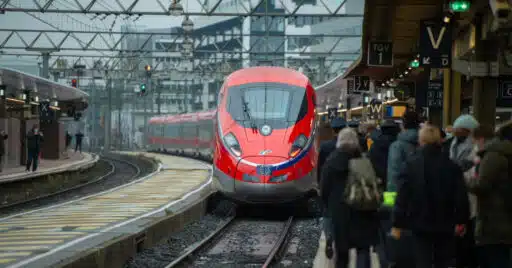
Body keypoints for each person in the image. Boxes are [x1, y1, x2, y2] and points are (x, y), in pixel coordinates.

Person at [391, 125, 470, 268]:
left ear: (421, 141)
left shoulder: (410, 165)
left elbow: (402, 196)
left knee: (423, 260)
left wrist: (398, 222)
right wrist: (461, 220)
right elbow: (460, 195)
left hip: (419, 221)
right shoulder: (451, 166)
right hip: (445, 221)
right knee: (443, 261)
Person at [320, 128, 380, 268]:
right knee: (363, 249)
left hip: (341, 213)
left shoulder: (331, 162)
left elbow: (324, 190)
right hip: (363, 210)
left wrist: (328, 208)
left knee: (342, 254)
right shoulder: (364, 161)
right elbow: (373, 183)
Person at [466, 122, 512, 268]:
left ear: (480, 139)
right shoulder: (504, 152)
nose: (475, 146)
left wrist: (466, 181)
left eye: (474, 142)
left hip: (492, 218)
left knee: (494, 257)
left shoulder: (492, 156)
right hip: (504, 215)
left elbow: (482, 186)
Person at [383, 110, 420, 267]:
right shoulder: (424, 142)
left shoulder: (397, 146)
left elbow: (393, 178)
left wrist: (388, 203)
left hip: (401, 200)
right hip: (424, 200)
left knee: (401, 239)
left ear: (403, 125)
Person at [449, 114, 479, 268]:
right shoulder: (452, 145)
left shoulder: (477, 149)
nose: (455, 132)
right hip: (455, 198)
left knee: (469, 237)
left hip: (471, 198)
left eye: (459, 130)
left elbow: (474, 174)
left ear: (468, 131)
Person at [317, 117, 346, 259]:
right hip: (345, 186)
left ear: (333, 130)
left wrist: (319, 184)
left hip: (328, 183)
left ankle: (329, 236)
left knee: (327, 212)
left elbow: (320, 167)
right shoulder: (350, 146)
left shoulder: (325, 146)